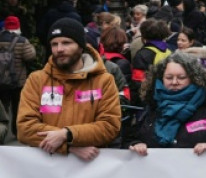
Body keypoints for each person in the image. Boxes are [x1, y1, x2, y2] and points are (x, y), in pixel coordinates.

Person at [17, 18, 121, 160]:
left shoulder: (104, 81)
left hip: (91, 168)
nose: (59, 49)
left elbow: (110, 126)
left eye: (66, 43)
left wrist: (67, 134)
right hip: (45, 166)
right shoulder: (37, 80)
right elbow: (25, 128)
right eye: (54, 44)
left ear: (81, 46)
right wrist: (70, 147)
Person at [126, 52, 206, 155]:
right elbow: (129, 138)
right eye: (169, 77)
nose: (174, 82)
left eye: (181, 78)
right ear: (161, 78)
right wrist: (135, 144)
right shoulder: (151, 105)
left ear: (195, 79)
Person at [0, 16, 36, 137]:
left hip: (1, 81)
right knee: (17, 107)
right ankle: (17, 132)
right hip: (17, 81)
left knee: (3, 107)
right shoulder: (22, 40)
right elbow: (30, 57)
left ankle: (2, 132)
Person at [131, 19, 174, 104]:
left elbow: (138, 82)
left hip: (151, 99)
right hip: (170, 95)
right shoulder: (170, 50)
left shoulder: (142, 54)